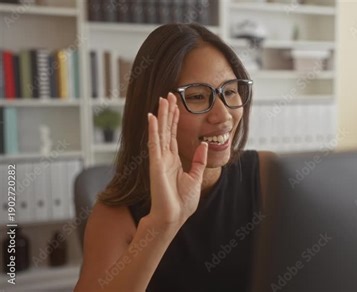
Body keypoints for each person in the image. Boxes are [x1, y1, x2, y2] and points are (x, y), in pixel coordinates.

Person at [74, 23, 274, 291]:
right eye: (198, 96)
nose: (224, 116)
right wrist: (162, 224)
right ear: (154, 108)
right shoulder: (114, 216)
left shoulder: (267, 175)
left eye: (229, 91)